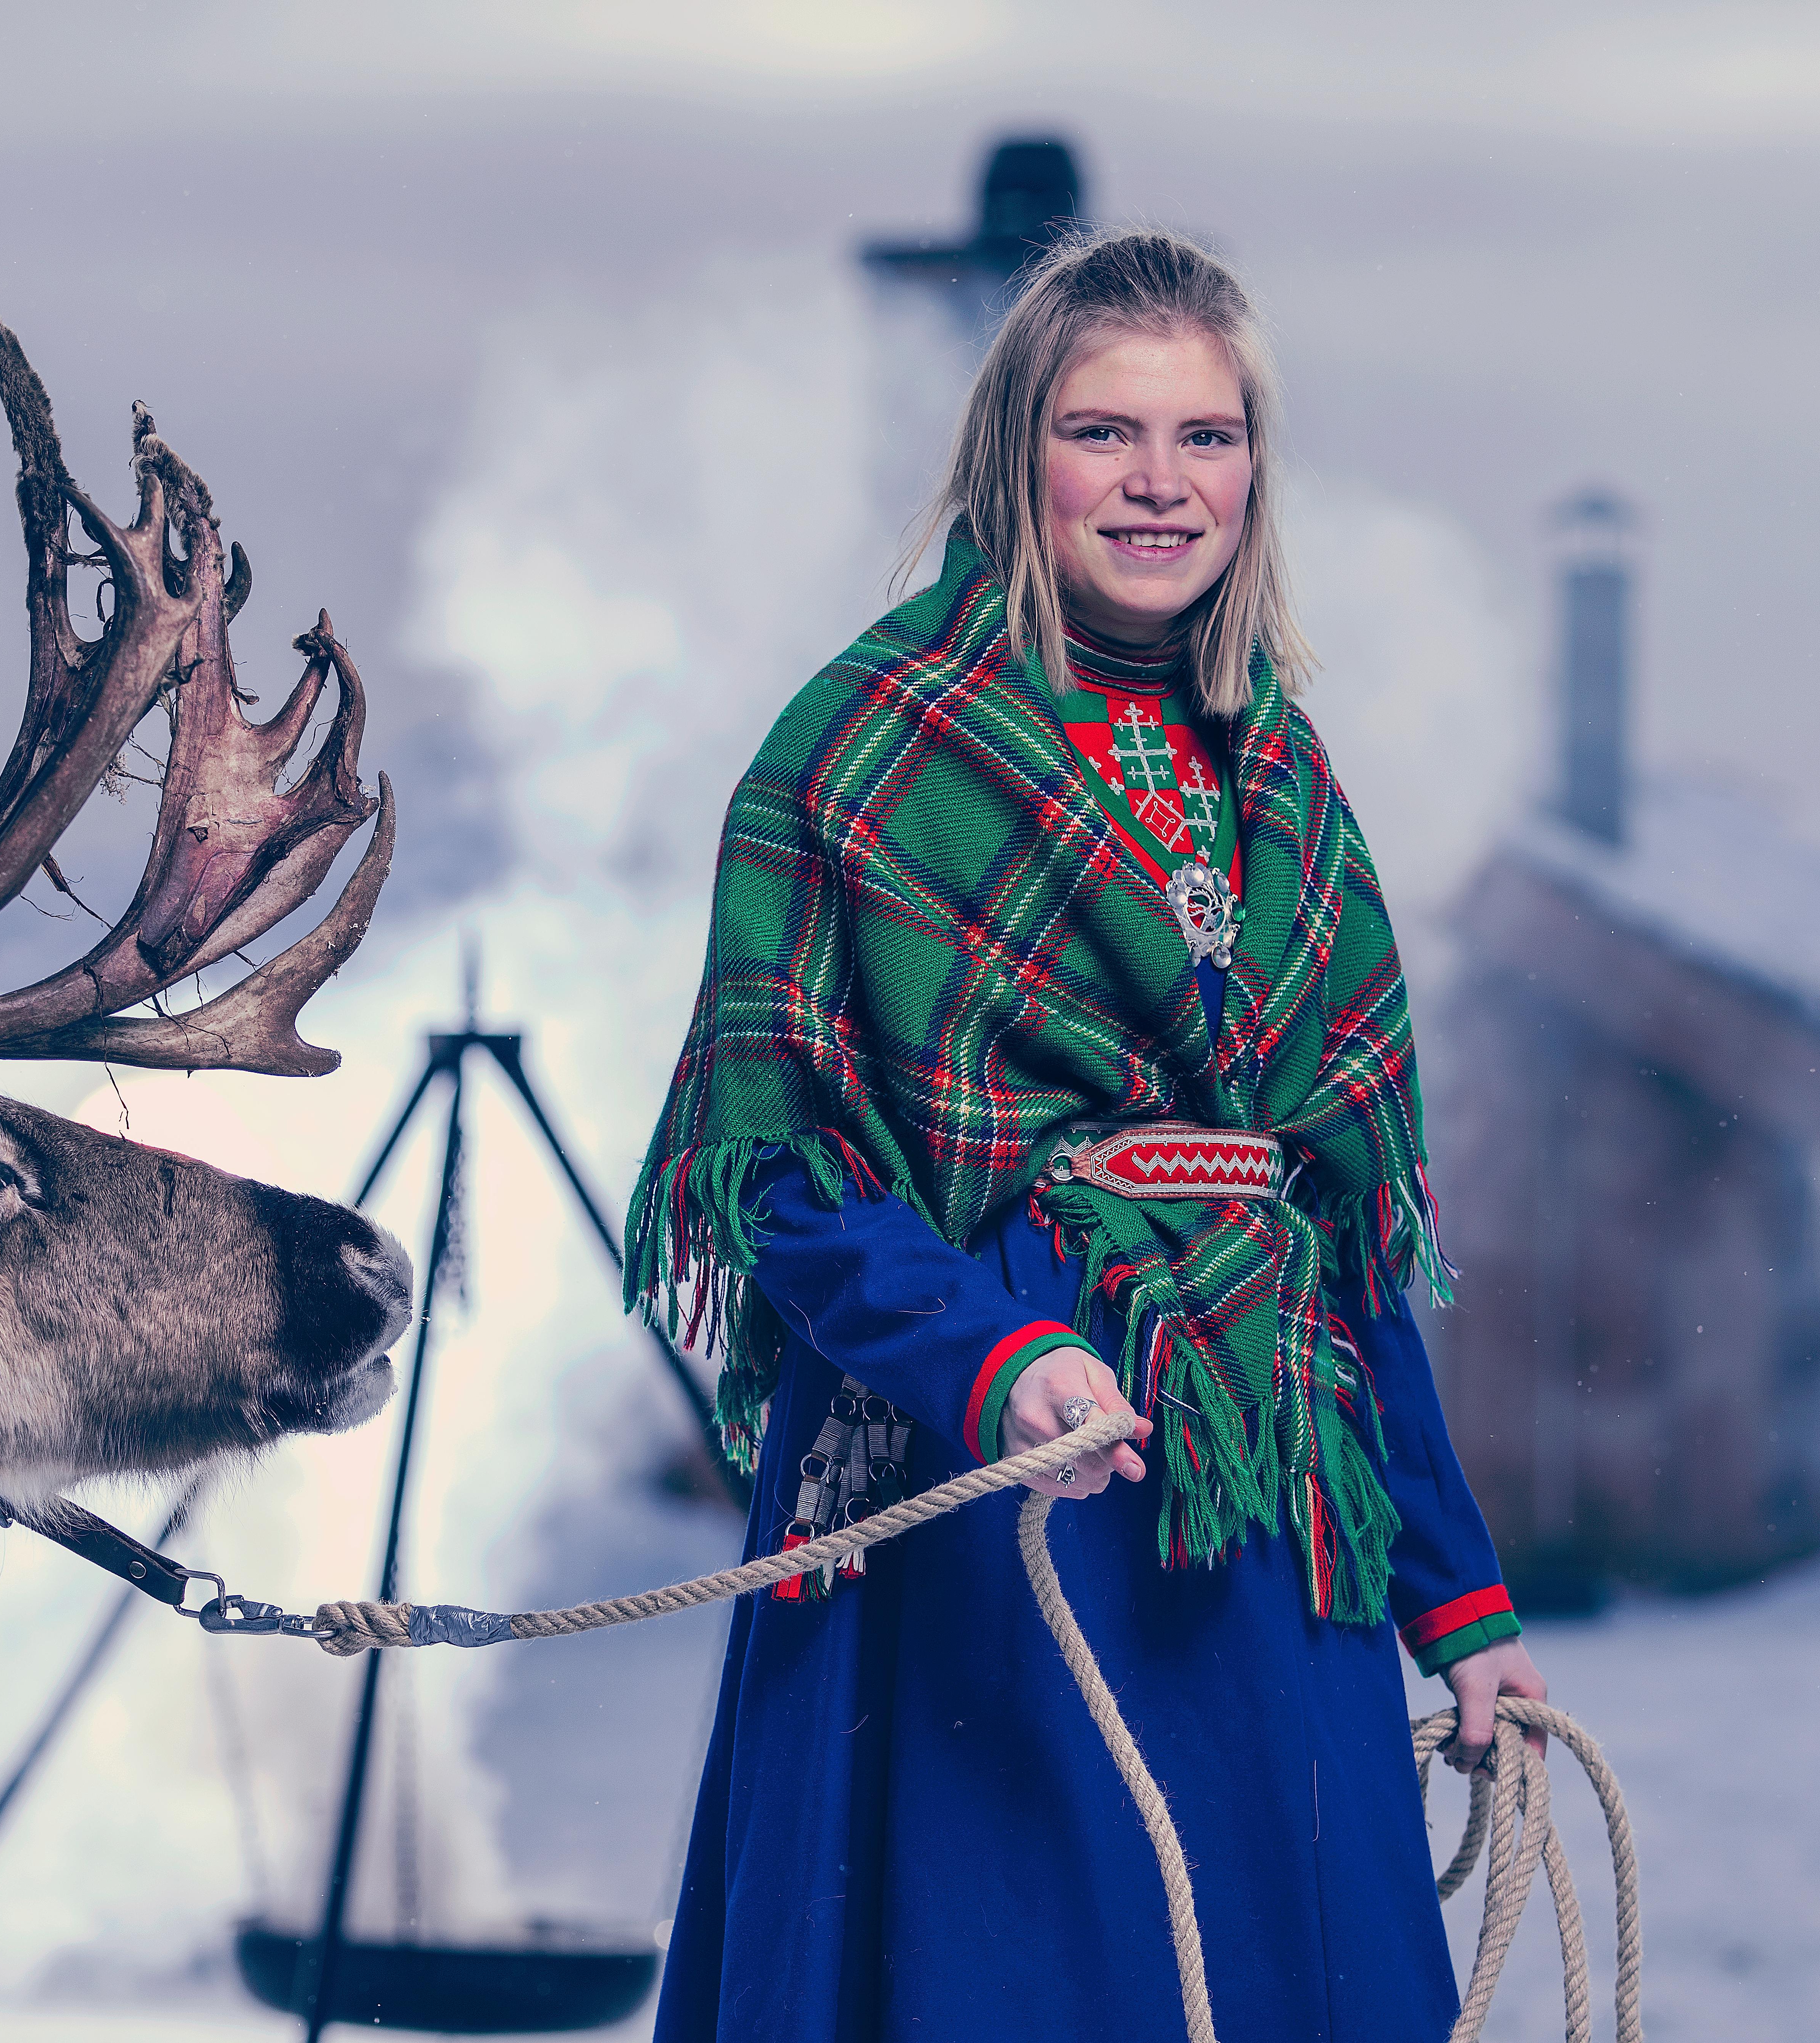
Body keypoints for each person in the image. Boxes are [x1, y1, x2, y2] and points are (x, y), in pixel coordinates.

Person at [624, 227, 1544, 2043]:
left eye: (1207, 438)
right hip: (1007, 1511)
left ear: (1256, 472)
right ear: (1014, 456)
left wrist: (1459, 1596)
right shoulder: (865, 744)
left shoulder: (1289, 782)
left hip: (1277, 1525)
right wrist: (999, 1358)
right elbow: (789, 1183)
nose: (1158, 483)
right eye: (1104, 432)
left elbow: (1344, 1252)